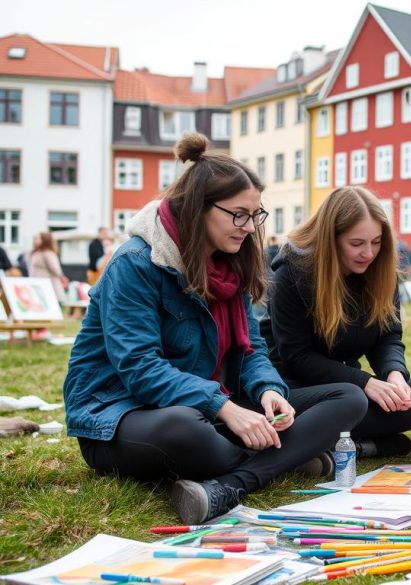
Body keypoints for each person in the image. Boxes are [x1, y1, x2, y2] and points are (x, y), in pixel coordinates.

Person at [63, 133, 358, 525]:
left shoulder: (229, 263)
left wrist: (268, 390)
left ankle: (231, 483)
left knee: (349, 398)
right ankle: (288, 457)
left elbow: (251, 349)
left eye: (255, 215)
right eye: (239, 214)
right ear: (198, 208)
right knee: (188, 431)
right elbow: (138, 368)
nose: (250, 227)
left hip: (208, 406)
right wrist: (224, 407)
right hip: (121, 415)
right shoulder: (135, 264)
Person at [261, 187, 411, 458]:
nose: (368, 253)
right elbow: (296, 355)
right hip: (293, 386)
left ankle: (330, 441)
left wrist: (394, 374)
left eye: (377, 242)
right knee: (352, 399)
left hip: (347, 387)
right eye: (356, 244)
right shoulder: (293, 272)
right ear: (330, 239)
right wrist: (365, 383)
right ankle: (351, 442)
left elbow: (388, 336)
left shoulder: (380, 271)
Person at [29, 232, 67, 305]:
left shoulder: (48, 253)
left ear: (44, 240)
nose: (35, 240)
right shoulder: (37, 253)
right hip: (37, 284)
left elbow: (56, 270)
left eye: (38, 238)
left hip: (48, 286)